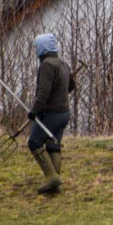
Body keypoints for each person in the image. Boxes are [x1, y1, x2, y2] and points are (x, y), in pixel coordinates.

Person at [27, 33, 74, 194]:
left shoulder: (47, 65)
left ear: (42, 48)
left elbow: (43, 93)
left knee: (34, 142)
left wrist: (34, 111)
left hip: (51, 113)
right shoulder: (63, 64)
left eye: (36, 47)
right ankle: (55, 183)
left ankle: (51, 177)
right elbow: (71, 87)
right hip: (64, 113)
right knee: (53, 145)